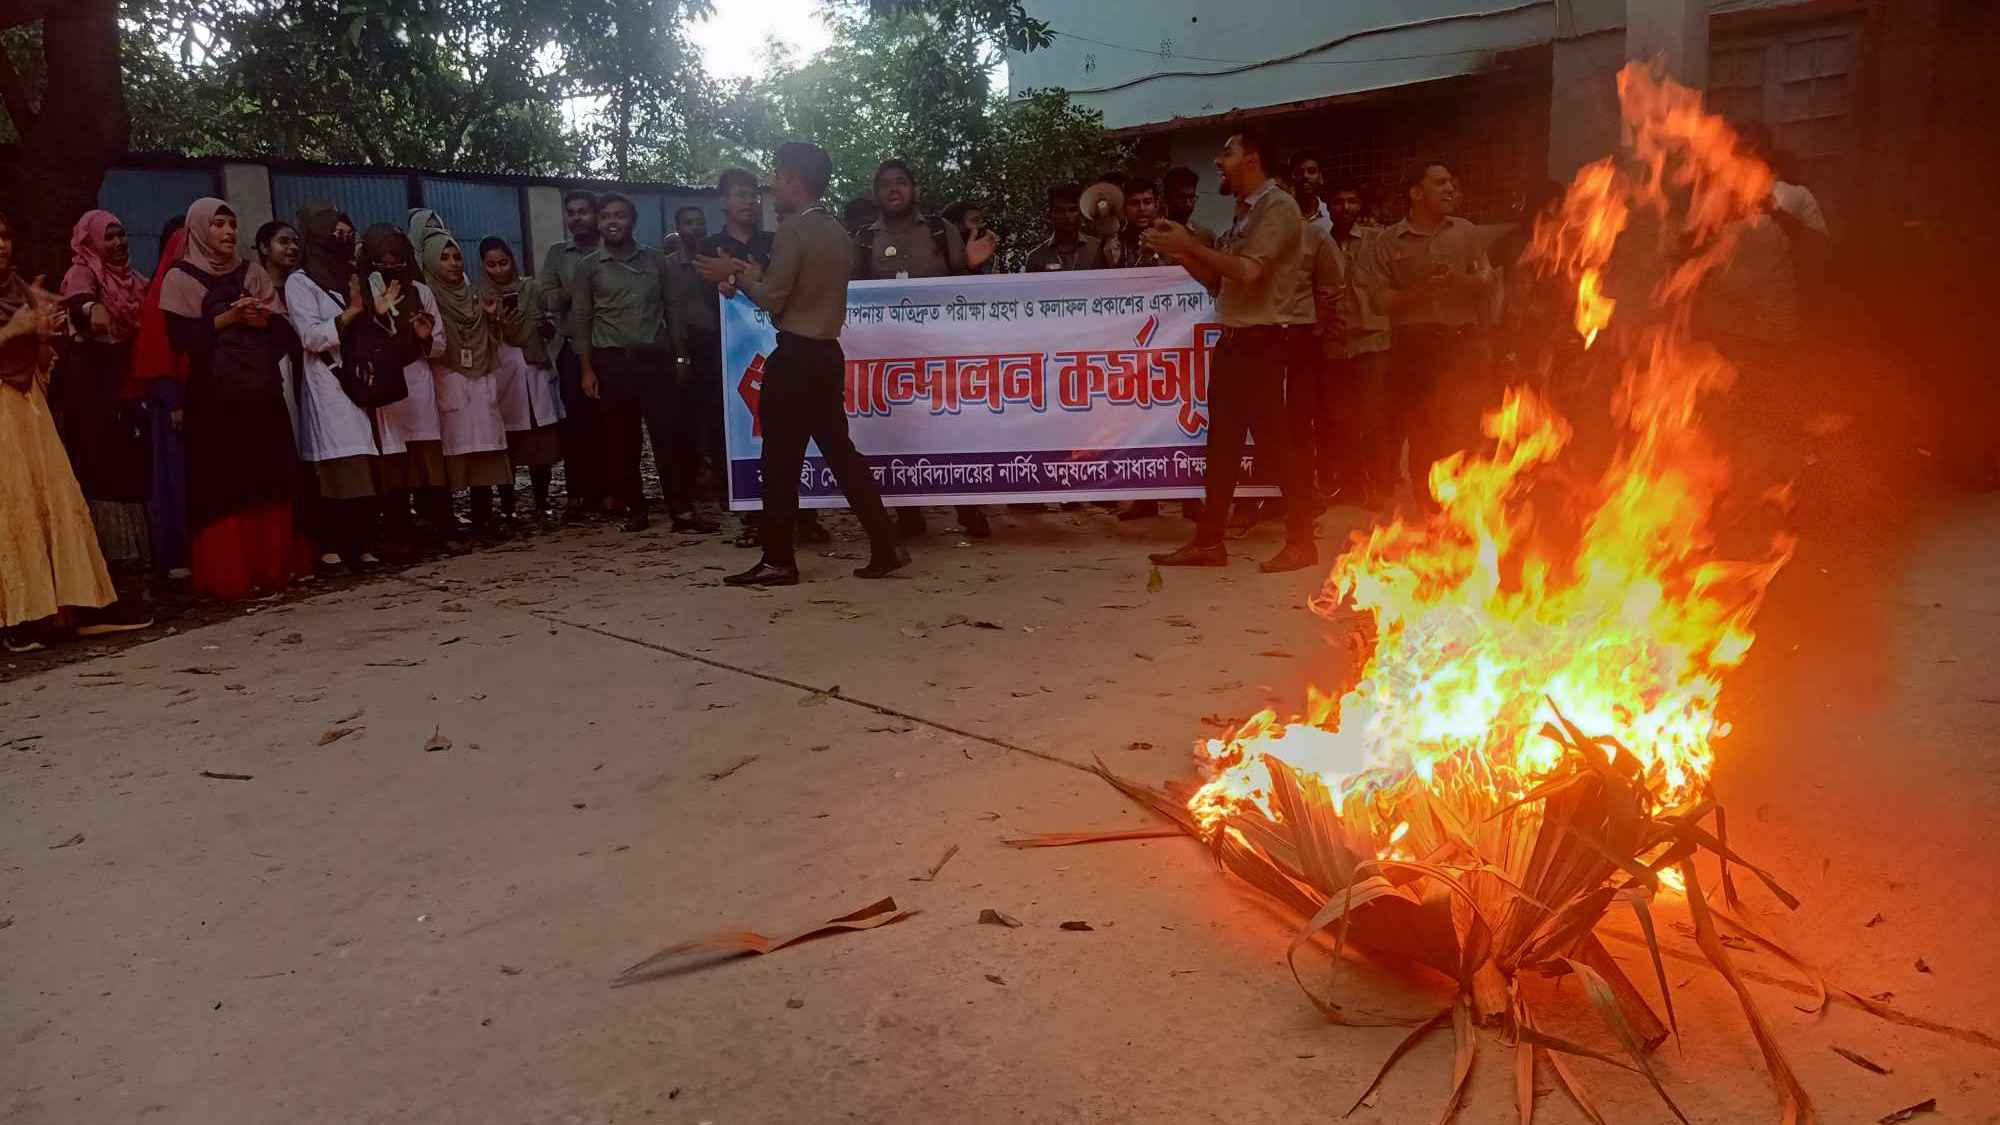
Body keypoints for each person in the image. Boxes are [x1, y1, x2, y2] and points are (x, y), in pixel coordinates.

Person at [695, 141, 906, 586]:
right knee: (841, 453)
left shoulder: (792, 230)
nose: (771, 188)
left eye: (776, 178)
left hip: (795, 357)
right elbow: (802, 290)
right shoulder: (837, 233)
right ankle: (886, 543)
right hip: (828, 353)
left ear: (794, 180)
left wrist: (731, 276)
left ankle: (778, 559)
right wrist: (751, 275)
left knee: (779, 461)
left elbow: (775, 300)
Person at [1142, 129, 1318, 573]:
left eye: (1227, 152)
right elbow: (1221, 283)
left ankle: (1302, 542)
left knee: (1277, 447)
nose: (1218, 161)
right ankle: (1209, 542)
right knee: (1221, 446)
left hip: (1263, 343)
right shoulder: (1244, 213)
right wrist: (1180, 254)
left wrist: (1188, 244)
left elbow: (1249, 272)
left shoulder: (1278, 207)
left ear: (1253, 159)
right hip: (1235, 342)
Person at [1, 211, 143, 651]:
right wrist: (13, 330)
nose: (1, 245)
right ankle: (18, 615)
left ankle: (74, 604)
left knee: (56, 499)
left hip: (30, 405)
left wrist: (44, 335)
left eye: (4, 235)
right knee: (12, 507)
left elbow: (40, 357)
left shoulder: (21, 288)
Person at [158, 197, 312, 600]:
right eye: (217, 225)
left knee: (268, 478)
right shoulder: (179, 278)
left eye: (232, 224)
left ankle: (272, 567)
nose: (228, 233)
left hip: (259, 393)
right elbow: (182, 341)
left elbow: (284, 337)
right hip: (213, 400)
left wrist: (261, 320)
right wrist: (228, 318)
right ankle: (232, 574)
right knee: (225, 483)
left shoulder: (253, 272)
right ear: (197, 230)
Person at [854, 158, 998, 539]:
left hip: (941, 353)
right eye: (886, 184)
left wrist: (973, 265)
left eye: (901, 182)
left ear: (914, 189)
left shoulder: (939, 229)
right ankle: (908, 512)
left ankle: (966, 505)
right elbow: (852, 297)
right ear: (876, 194)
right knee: (897, 431)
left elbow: (962, 282)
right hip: (888, 356)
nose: (894, 189)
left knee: (951, 426)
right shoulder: (865, 239)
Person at [572, 192, 712, 534]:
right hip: (611, 363)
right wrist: (587, 370)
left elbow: (673, 309)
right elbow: (582, 319)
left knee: (669, 437)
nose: (612, 222)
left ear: (632, 220)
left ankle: (681, 511)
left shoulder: (656, 261)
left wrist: (680, 355)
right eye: (606, 216)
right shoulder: (588, 267)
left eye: (619, 215)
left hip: (655, 360)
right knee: (622, 441)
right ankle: (635, 509)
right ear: (598, 222)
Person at [1355, 159, 1499, 494]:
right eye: (1440, 183)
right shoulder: (1388, 242)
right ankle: (1428, 510)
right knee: (1421, 432)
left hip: (1460, 344)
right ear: (1416, 193)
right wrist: (1421, 290)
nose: (1450, 189)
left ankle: (1467, 508)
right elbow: (1379, 302)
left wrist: (1457, 281)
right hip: (1413, 347)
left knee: (1464, 426)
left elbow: (1488, 281)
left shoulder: (1465, 231)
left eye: (1451, 182)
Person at [55, 209, 155, 607]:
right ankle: (109, 577)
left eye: (121, 235)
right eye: (108, 237)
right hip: (90, 392)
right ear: (90, 242)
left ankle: (139, 573)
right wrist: (95, 314)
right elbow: (86, 310)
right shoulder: (82, 274)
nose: (117, 244)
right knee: (102, 475)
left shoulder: (137, 282)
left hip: (126, 388)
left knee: (131, 475)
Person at [286, 205, 387, 571]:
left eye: (349, 234)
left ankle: (363, 543)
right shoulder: (301, 282)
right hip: (328, 383)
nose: (344, 242)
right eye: (337, 235)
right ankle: (334, 545)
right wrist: (352, 311)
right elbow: (312, 336)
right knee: (336, 466)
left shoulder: (355, 275)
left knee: (363, 463)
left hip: (363, 380)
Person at [362, 221, 451, 547]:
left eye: (394, 258)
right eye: (381, 259)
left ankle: (440, 526)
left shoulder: (421, 291)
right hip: (385, 381)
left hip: (418, 378)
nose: (389, 265)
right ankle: (400, 532)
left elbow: (440, 343)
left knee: (426, 451)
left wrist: (425, 338)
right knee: (394, 455)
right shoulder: (365, 289)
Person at [419, 230, 513, 533]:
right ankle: (445, 521)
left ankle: (483, 516)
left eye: (457, 256)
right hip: (448, 376)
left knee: (484, 446)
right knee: (452, 449)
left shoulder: (474, 294)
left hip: (481, 375)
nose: (453, 263)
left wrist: (492, 318)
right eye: (444, 258)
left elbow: (495, 340)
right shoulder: (427, 296)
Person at [537, 188, 612, 519]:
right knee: (577, 427)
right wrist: (580, 283)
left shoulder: (611, 248)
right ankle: (579, 496)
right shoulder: (558, 254)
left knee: (611, 423)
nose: (577, 218)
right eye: (571, 212)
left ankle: (615, 491)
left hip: (608, 348)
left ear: (596, 215)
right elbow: (547, 300)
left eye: (583, 211)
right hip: (570, 349)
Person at [480, 237, 564, 523]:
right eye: (491, 265)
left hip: (535, 369)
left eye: (503, 263)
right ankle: (507, 506)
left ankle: (541, 502)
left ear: (512, 260)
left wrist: (543, 328)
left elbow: (551, 324)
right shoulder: (481, 296)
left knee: (541, 443)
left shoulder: (532, 289)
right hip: (502, 373)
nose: (499, 270)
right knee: (509, 444)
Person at [127, 216, 193, 579]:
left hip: (212, 392)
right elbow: (160, 350)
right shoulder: (164, 289)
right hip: (174, 398)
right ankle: (177, 553)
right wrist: (176, 401)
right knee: (174, 475)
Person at [1326, 178, 1393, 506]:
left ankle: (1379, 485)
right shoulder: (1320, 243)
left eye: (1352, 201)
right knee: (1341, 420)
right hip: (1334, 344)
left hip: (1373, 341)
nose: (1346, 208)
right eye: (1339, 202)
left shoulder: (1378, 240)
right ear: (1329, 207)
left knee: (1375, 419)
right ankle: (1350, 485)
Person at [1022, 183, 1102, 272]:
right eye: (1060, 211)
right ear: (1050, 214)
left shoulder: (1097, 249)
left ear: (1080, 213)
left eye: (1072, 210)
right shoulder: (1036, 258)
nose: (1067, 216)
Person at [1162, 166, 1217, 248]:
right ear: (1167, 198)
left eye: (1191, 197)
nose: (1188, 203)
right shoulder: (1154, 234)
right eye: (1181, 197)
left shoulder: (1206, 237)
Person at [943, 200, 996, 274]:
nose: (982, 225)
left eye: (981, 220)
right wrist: (970, 264)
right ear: (957, 226)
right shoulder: (939, 256)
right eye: (975, 220)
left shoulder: (985, 255)